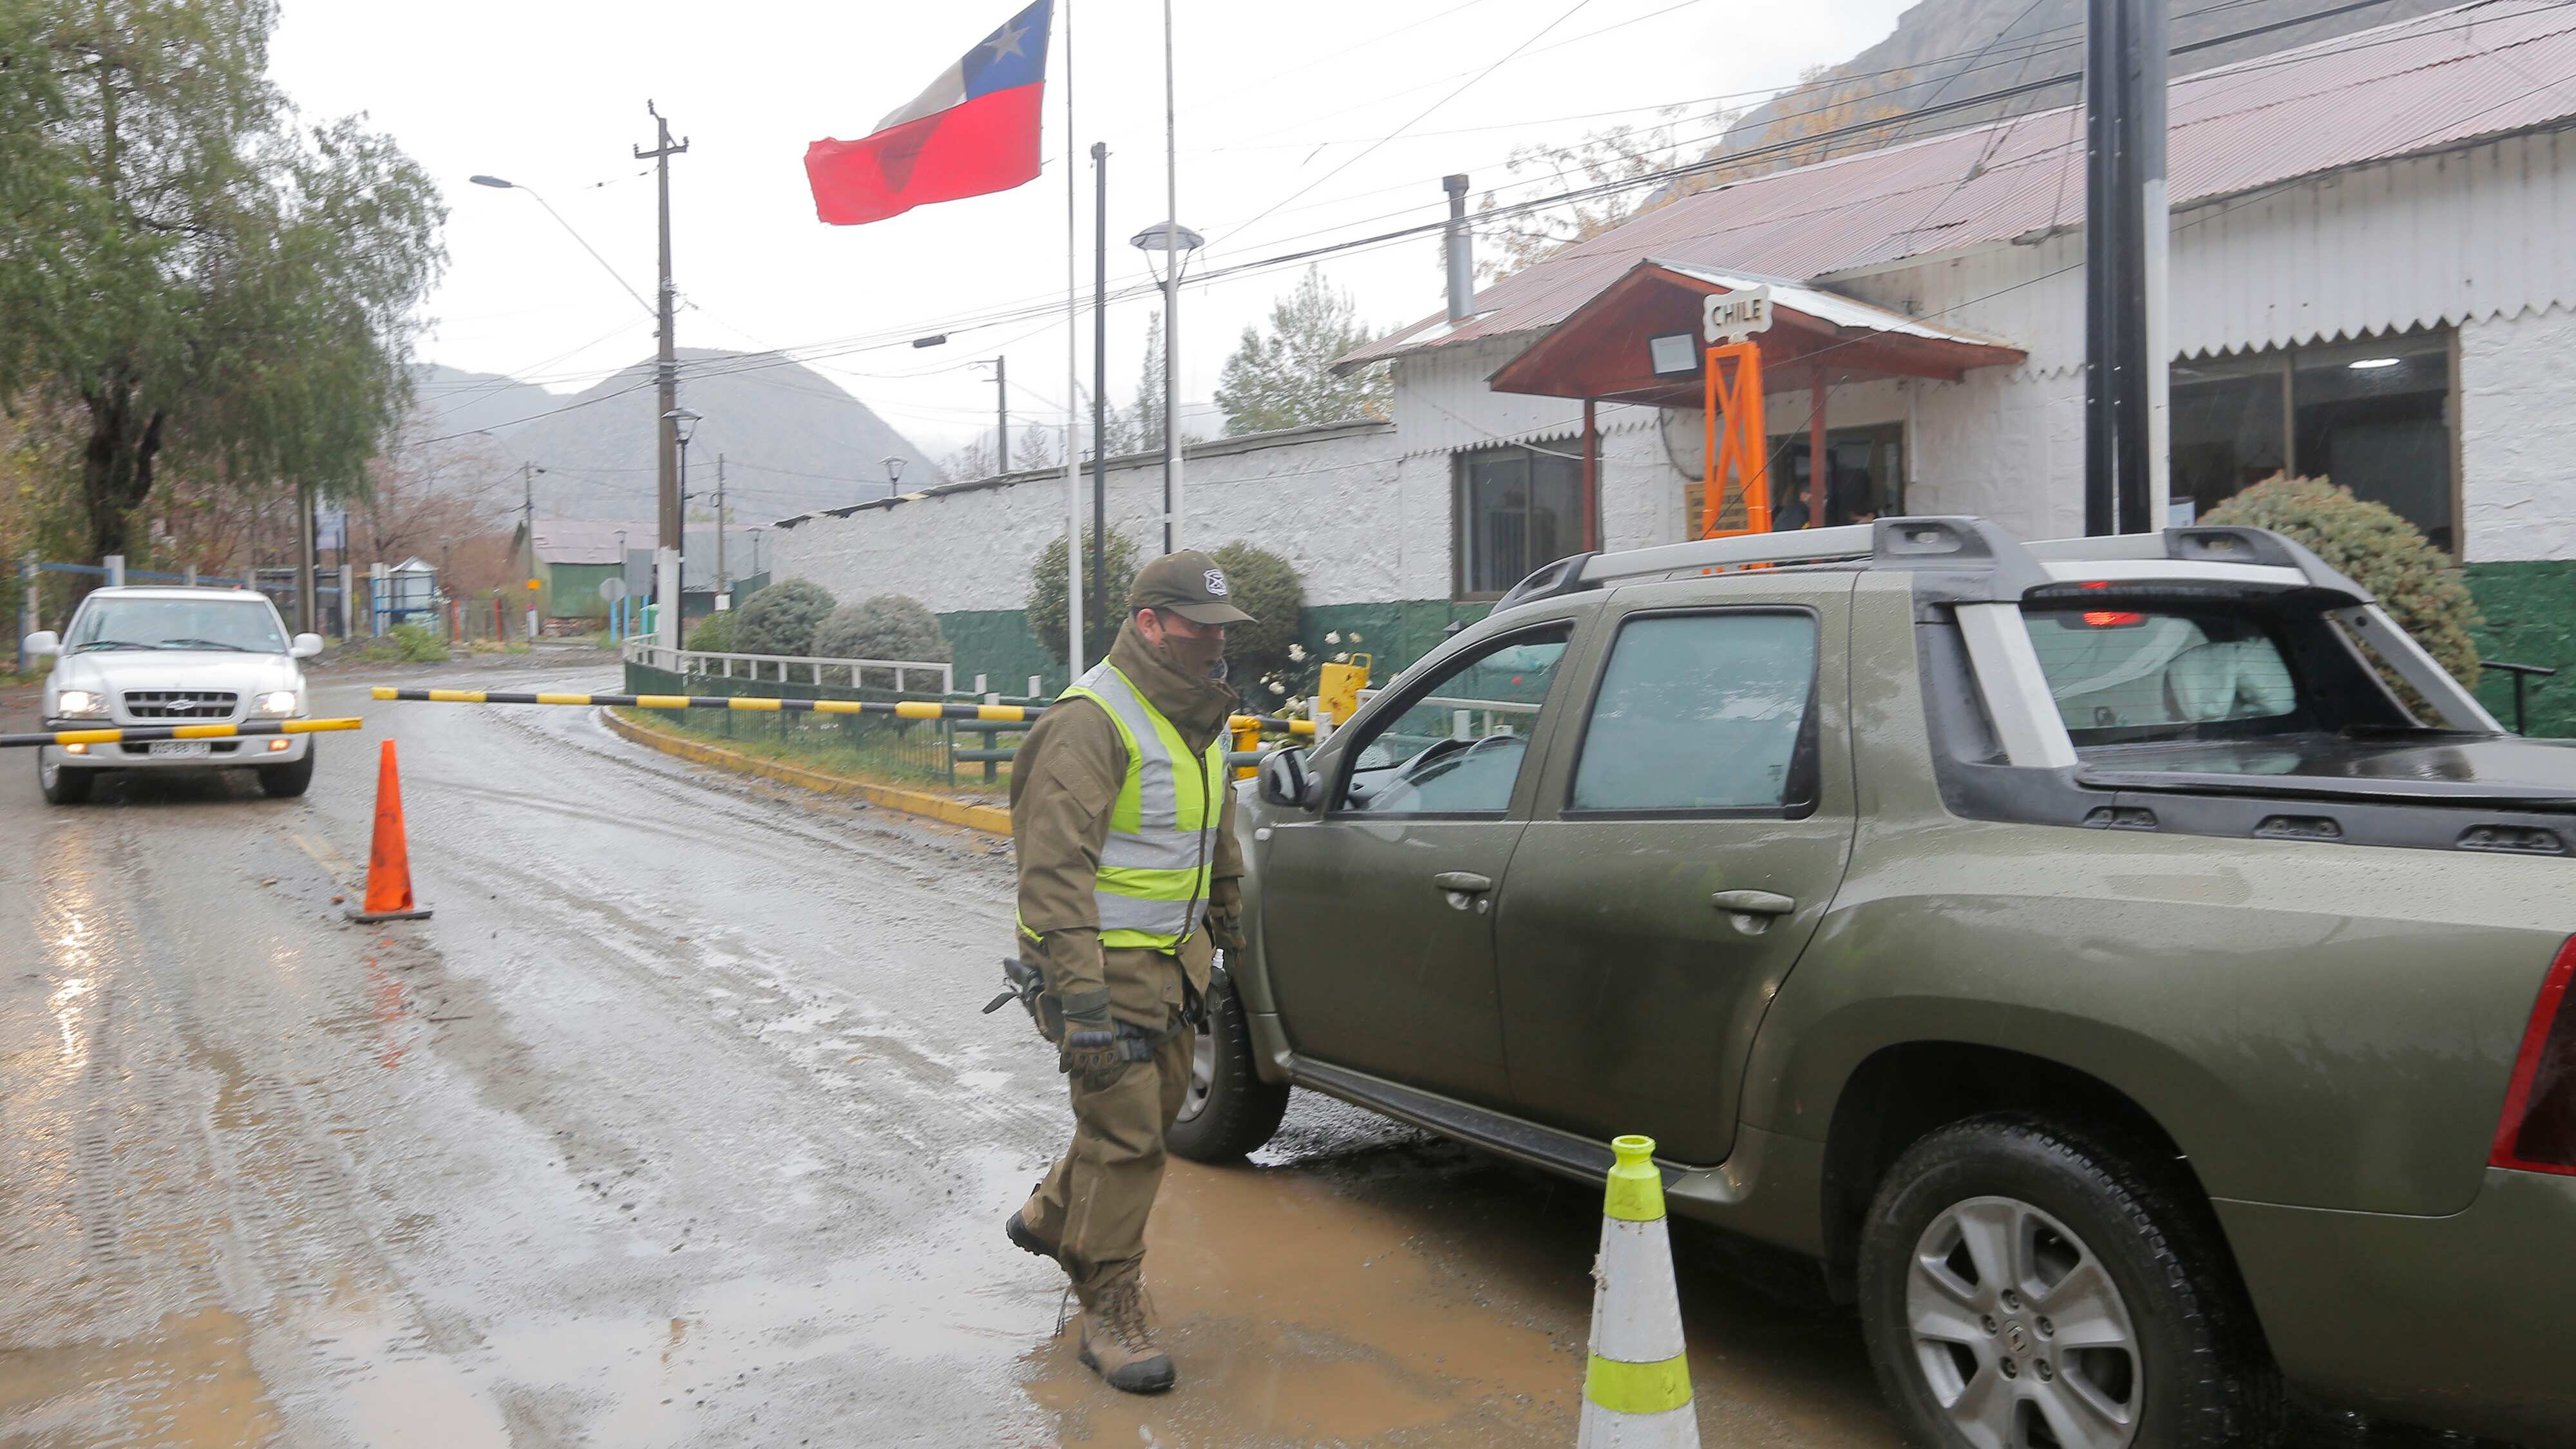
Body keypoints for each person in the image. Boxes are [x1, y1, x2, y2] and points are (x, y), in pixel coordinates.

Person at [1002, 549, 1253, 1394]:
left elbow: (1211, 829)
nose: (1215, 642)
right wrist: (1082, 1006)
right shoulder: (1094, 719)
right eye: (1201, 626)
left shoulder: (1195, 716)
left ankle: (1049, 1213)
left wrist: (1231, 926)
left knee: (1142, 1111)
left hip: (1173, 969)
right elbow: (1054, 875)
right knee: (1131, 1135)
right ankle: (1109, 1310)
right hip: (1099, 970)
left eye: (1223, 628)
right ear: (1151, 625)